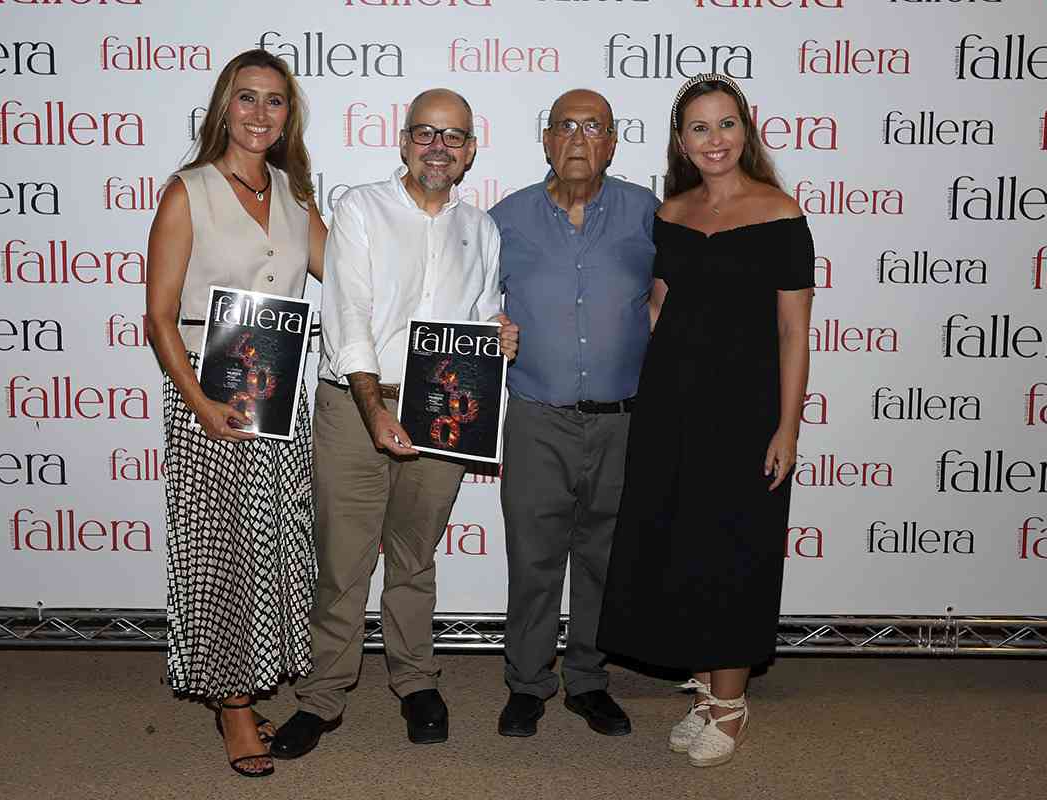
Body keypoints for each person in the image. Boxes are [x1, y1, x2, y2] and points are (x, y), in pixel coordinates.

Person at [269, 88, 519, 759]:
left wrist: (497, 333)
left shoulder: (483, 229)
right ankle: (323, 696)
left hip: (442, 411)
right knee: (343, 560)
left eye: (453, 136)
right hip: (355, 405)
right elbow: (347, 312)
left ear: (470, 151)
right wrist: (374, 406)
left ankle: (416, 681)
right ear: (405, 142)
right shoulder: (360, 208)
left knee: (414, 556)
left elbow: (478, 315)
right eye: (425, 133)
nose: (439, 147)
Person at [597, 73, 815, 768]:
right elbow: (658, 307)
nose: (714, 139)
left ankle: (731, 704)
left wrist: (787, 427)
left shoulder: (780, 213)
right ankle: (705, 693)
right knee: (683, 545)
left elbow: (794, 331)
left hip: (746, 410)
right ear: (681, 140)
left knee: (735, 548)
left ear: (745, 131)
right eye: (700, 127)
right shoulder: (673, 212)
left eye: (726, 124)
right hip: (671, 404)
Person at [145, 49, 327, 778]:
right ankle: (233, 706)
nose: (260, 113)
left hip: (279, 400)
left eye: (274, 101)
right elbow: (160, 317)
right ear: (224, 107)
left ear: (288, 117)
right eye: (247, 98)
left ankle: (248, 681)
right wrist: (201, 404)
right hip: (209, 400)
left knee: (273, 549)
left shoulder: (292, 194)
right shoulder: (187, 192)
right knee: (220, 554)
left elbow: (354, 278)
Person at [487, 89, 662, 739]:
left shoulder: (648, 213)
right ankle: (527, 683)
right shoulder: (505, 219)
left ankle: (588, 681)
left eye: (594, 127)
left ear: (613, 142)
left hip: (623, 421)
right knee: (533, 560)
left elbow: (674, 292)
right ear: (547, 140)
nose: (580, 138)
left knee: (603, 560)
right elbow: (471, 301)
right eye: (566, 126)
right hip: (538, 417)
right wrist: (490, 325)